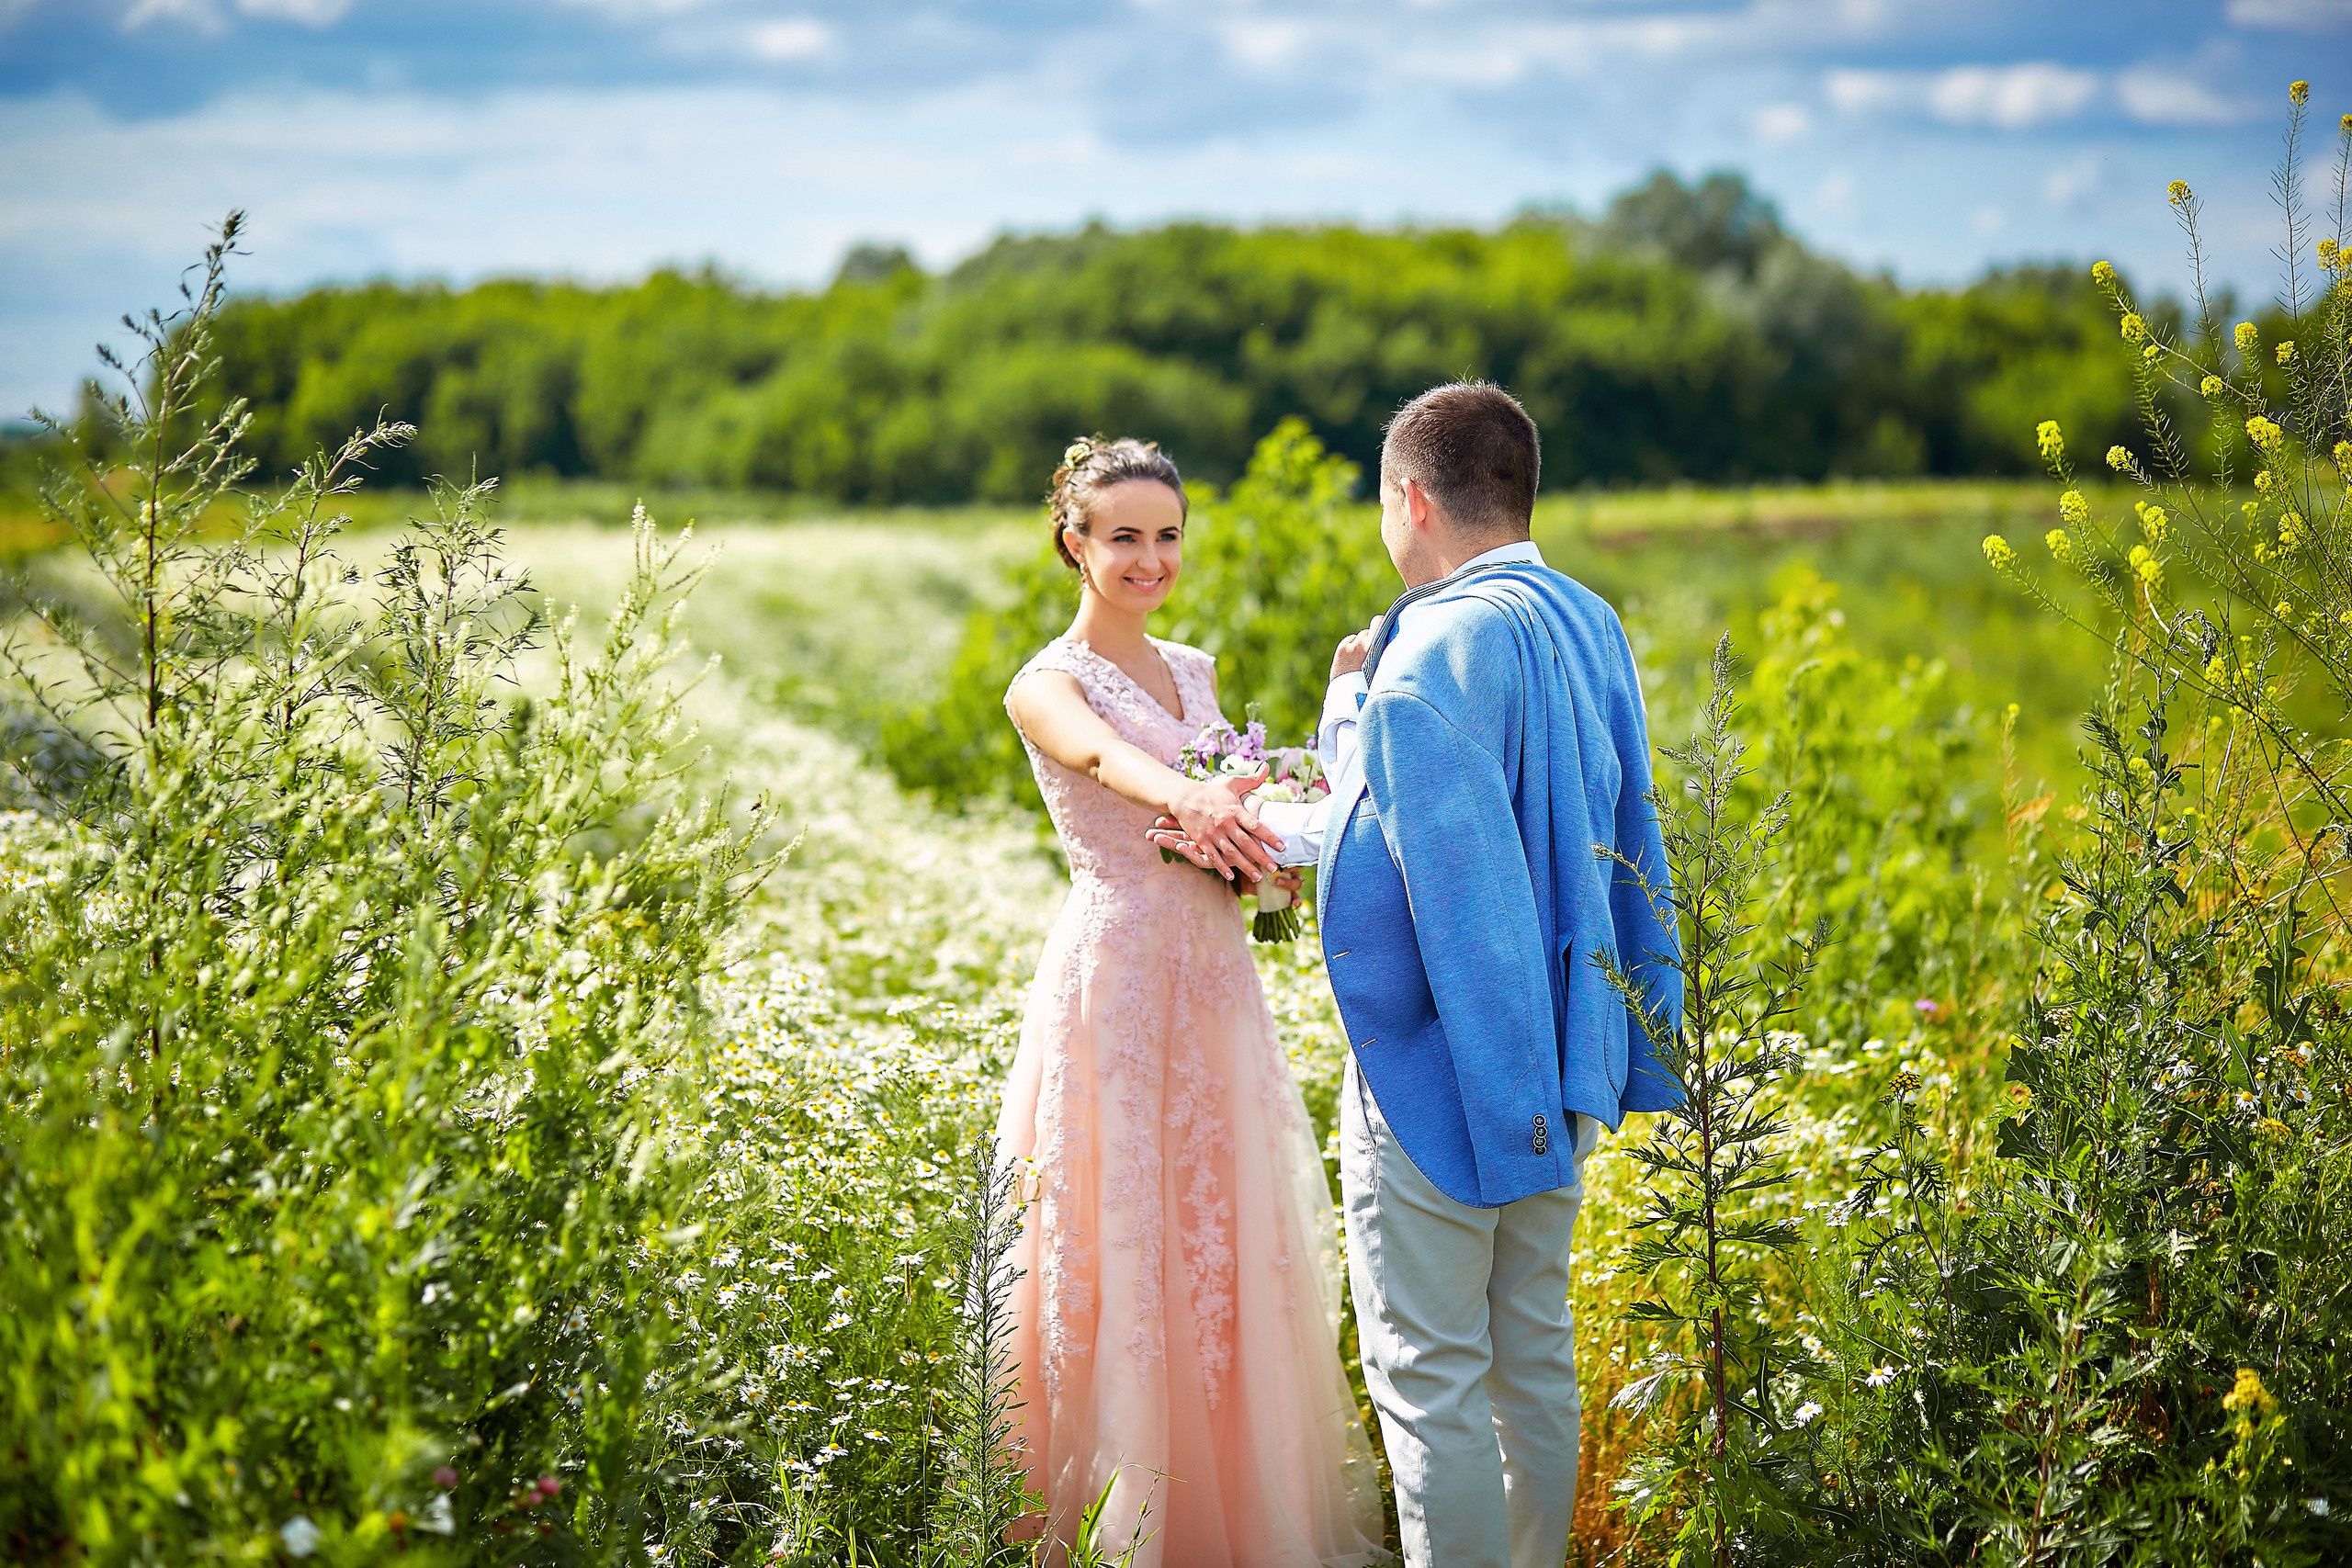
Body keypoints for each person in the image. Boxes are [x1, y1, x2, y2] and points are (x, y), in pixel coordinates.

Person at [1152, 383, 1683, 1568]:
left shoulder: (1431, 644)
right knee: (1533, 1353)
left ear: (1409, 497)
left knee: (1429, 1373)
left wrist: (1346, 702)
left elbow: (1397, 862)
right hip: (1565, 1050)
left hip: (1447, 1074)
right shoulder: (1591, 619)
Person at [994, 436, 1388, 1568]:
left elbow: (1253, 816)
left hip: (1213, 979)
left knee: (1220, 1230)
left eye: (1166, 535)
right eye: (1123, 537)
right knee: (1118, 1230)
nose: (1150, 558)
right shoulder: (1047, 683)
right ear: (1074, 543)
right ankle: (1119, 1527)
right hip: (1114, 980)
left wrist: (1283, 808)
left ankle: (1232, 1520)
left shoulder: (1195, 668)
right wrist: (1198, 799)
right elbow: (1114, 770)